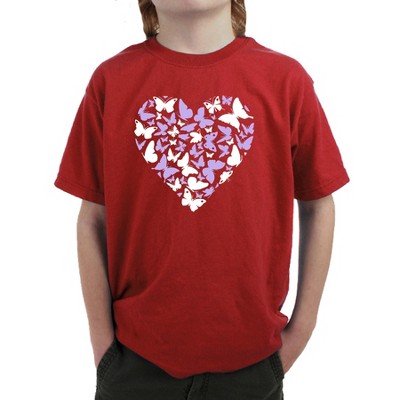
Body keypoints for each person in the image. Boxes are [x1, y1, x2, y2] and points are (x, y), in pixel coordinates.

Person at [54, 0, 349, 399]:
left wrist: (302, 329)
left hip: (254, 366)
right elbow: (92, 218)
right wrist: (103, 347)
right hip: (134, 366)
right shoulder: (111, 81)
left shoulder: (286, 80)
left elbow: (318, 203)